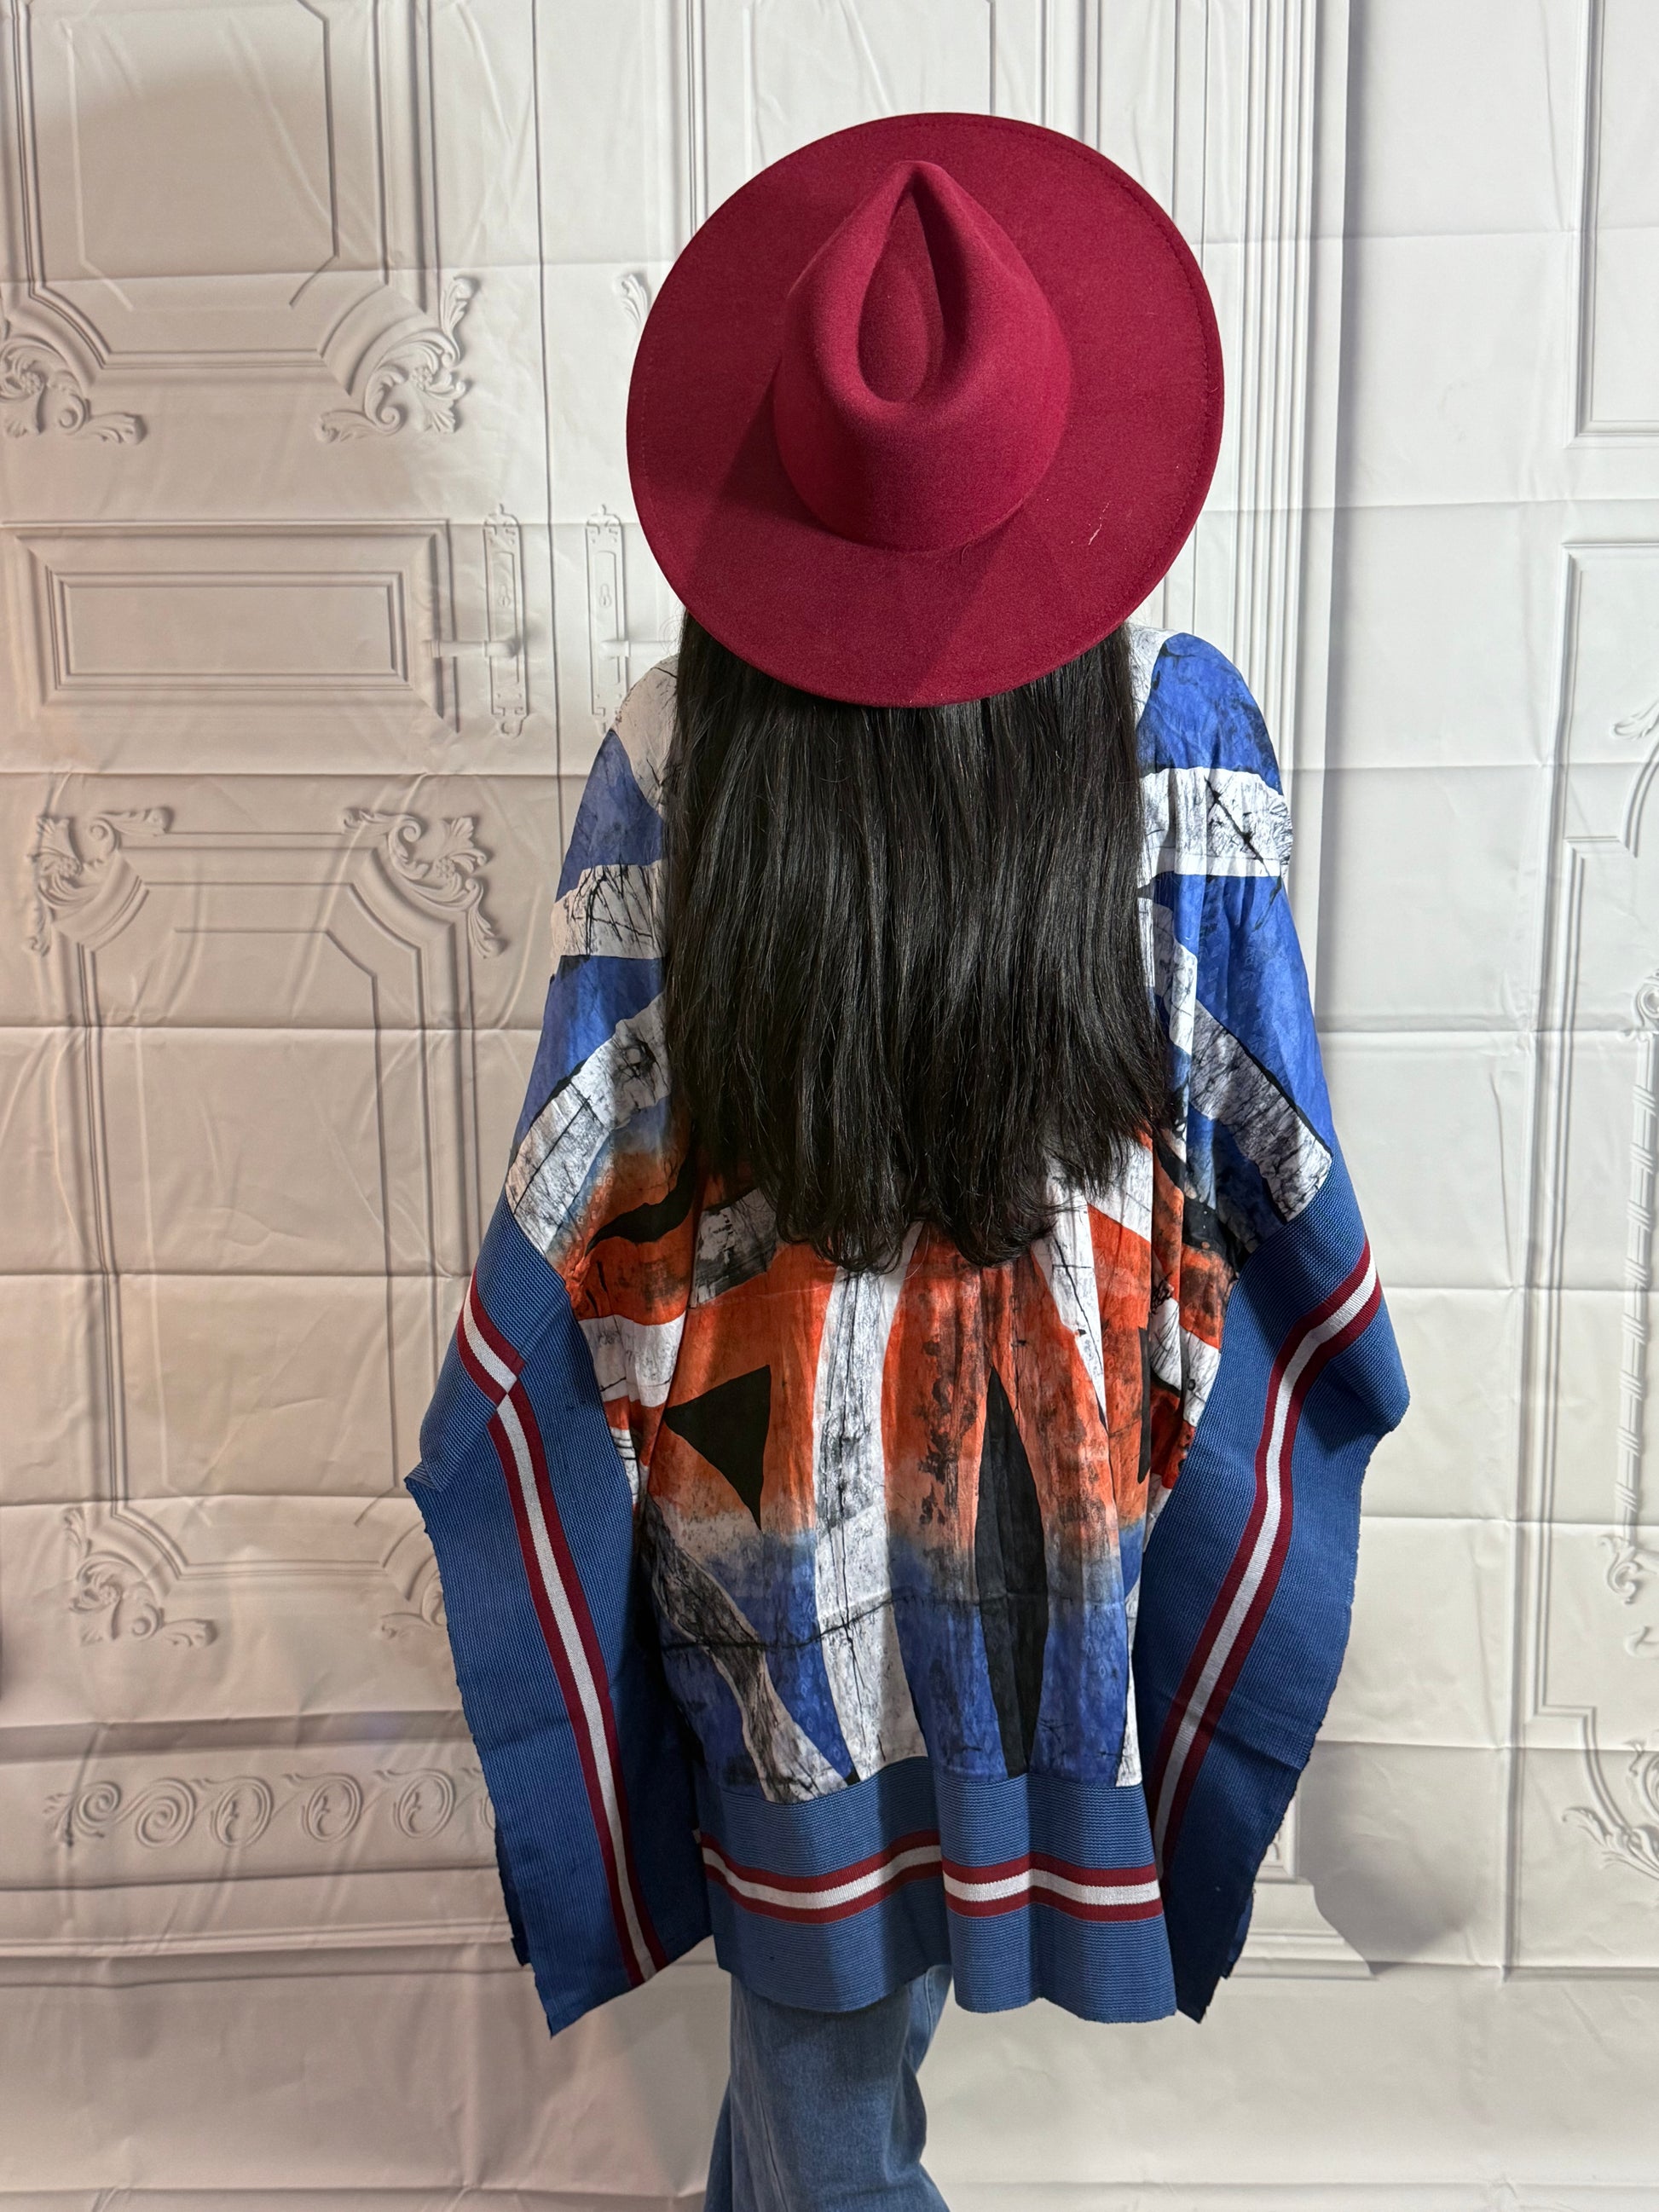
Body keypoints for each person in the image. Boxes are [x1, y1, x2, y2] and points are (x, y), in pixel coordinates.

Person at [409, 113, 1408, 2211]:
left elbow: (586, 1201)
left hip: (770, 1521)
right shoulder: (1176, 733)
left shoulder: (675, 747)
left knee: (823, 2025)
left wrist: (564, 1448)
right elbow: (1257, 1156)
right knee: (832, 2073)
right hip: (1054, 1490)